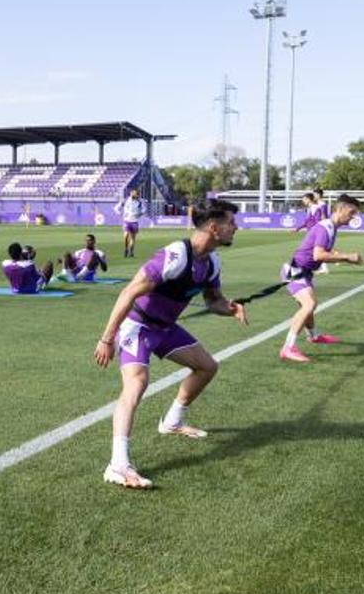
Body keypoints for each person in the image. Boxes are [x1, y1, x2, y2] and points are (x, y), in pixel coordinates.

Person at [93, 200, 248, 490]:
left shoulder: (212, 261)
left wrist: (229, 308)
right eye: (231, 222)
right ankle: (118, 464)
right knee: (136, 384)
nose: (235, 227)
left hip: (165, 328)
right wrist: (106, 338)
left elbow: (213, 300)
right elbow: (129, 293)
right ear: (214, 227)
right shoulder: (175, 256)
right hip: (138, 325)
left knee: (206, 367)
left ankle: (172, 422)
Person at [278, 194, 364, 362]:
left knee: (307, 306)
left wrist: (340, 255)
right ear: (340, 209)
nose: (354, 217)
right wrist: (347, 257)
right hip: (295, 271)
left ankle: (314, 336)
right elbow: (318, 255)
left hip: (304, 272)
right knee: (310, 304)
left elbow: (318, 252)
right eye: (352, 212)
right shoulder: (326, 227)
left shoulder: (331, 227)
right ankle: (288, 348)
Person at [114, 188, 144, 258]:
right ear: (131, 194)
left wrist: (139, 214)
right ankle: (126, 249)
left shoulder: (139, 202)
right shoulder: (125, 201)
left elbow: (144, 210)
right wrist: (120, 213)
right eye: (134, 193)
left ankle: (131, 252)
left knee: (133, 238)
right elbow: (116, 208)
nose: (136, 195)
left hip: (134, 221)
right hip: (127, 221)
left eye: (136, 194)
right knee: (126, 236)